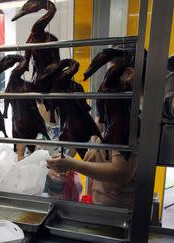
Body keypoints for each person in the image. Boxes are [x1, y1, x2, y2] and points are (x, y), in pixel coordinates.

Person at [47, 49, 140, 208]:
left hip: (119, 210)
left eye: (109, 74)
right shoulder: (117, 112)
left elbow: (121, 172)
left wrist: (72, 164)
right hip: (102, 203)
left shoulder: (130, 117)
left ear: (129, 74)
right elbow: (96, 128)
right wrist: (93, 147)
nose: (104, 82)